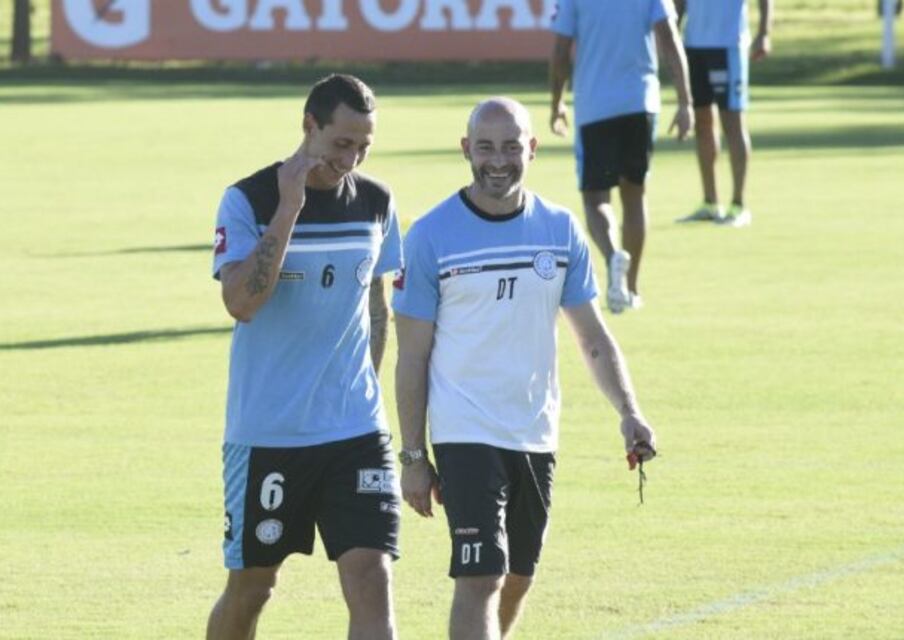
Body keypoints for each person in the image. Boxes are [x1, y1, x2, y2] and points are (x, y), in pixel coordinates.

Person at [392, 98, 657, 640]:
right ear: (466, 150)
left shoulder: (559, 230)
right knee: (482, 576)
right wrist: (414, 457)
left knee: (518, 574)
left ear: (532, 149)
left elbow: (592, 339)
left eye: (511, 146)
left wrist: (629, 412)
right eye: (485, 146)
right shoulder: (430, 236)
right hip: (464, 429)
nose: (498, 160)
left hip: (535, 431)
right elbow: (412, 356)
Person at [206, 74, 402, 640]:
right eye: (342, 142)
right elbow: (242, 302)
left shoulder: (376, 202)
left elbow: (377, 304)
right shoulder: (249, 199)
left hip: (355, 430)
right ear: (309, 126)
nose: (352, 157)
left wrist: (365, 389)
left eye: (364, 145)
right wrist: (290, 208)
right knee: (253, 588)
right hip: (269, 433)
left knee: (372, 577)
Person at [549, 0, 694, 313]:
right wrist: (685, 102)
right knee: (635, 195)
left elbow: (561, 50)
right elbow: (669, 39)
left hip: (595, 108)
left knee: (595, 199)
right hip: (640, 103)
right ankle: (631, 288)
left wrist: (557, 102)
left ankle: (614, 256)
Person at [673, 0, 773, 227]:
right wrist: (673, 31)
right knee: (702, 123)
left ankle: (738, 205)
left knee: (732, 123)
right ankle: (710, 202)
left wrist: (764, 32)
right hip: (694, 45)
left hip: (729, 43)